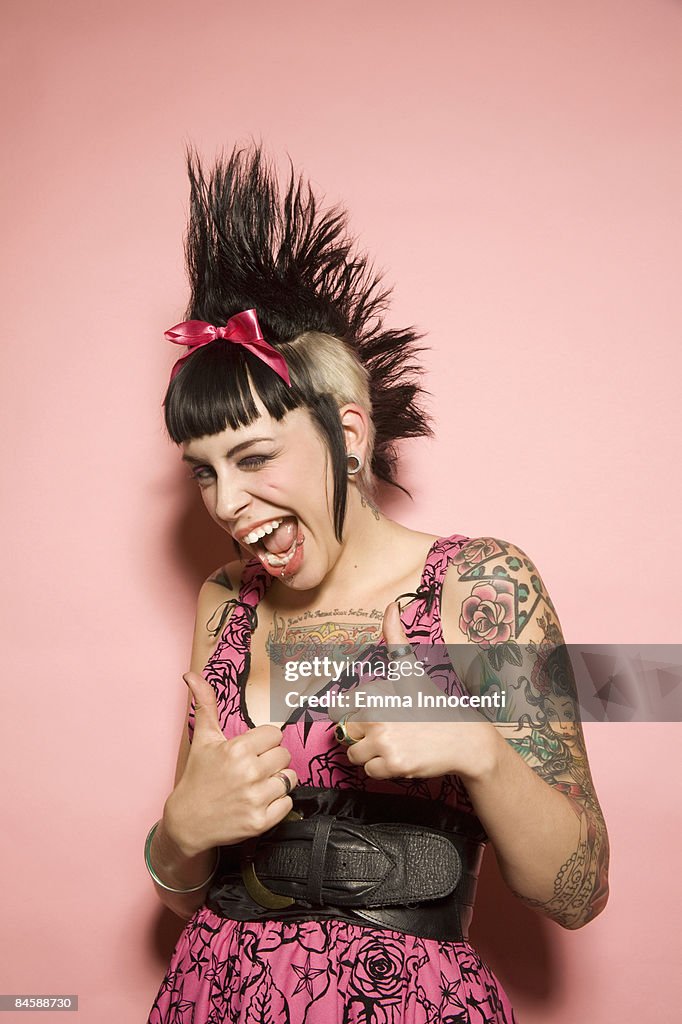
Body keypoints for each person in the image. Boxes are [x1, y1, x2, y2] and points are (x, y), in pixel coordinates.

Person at [145, 147, 609, 1024]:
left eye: (252, 457)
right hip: (214, 995)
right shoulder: (225, 604)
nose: (228, 503)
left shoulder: (480, 585)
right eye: (203, 472)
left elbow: (579, 891)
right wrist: (182, 827)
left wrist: (477, 747)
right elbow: (181, 887)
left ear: (347, 434)